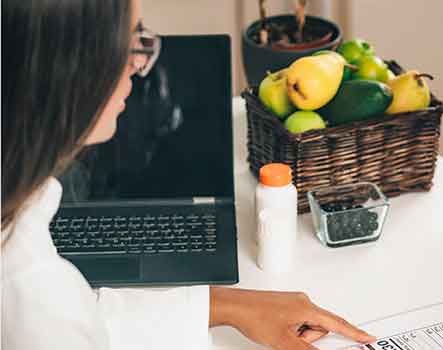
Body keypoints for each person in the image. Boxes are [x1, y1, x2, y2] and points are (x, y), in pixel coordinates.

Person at [1, 1, 374, 349]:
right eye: (130, 42)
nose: (139, 64)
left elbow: (83, 316)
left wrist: (227, 305)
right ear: (66, 66)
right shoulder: (25, 289)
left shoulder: (19, 230)